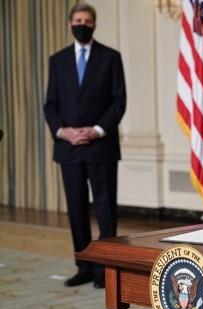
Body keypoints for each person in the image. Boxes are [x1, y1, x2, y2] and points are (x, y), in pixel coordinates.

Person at [44, 3, 126, 288]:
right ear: (70, 24)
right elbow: (51, 105)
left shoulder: (111, 57)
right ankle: (84, 266)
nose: (83, 24)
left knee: (105, 210)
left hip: (100, 147)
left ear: (95, 24)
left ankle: (107, 269)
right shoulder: (58, 61)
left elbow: (119, 101)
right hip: (69, 149)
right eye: (78, 20)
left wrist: (96, 130)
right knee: (76, 209)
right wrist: (63, 131)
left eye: (88, 20)